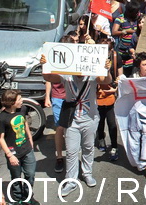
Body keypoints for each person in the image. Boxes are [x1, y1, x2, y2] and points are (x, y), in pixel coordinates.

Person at [41, 52, 113, 197]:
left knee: (88, 148)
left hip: (90, 119)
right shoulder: (66, 76)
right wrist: (45, 64)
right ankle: (71, 181)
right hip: (72, 121)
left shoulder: (92, 75)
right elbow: (48, 77)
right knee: (72, 151)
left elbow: (105, 80)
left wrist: (107, 69)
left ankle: (87, 173)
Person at [0, 89, 36, 205]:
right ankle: (18, 198)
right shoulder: (2, 118)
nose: (21, 101)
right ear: (11, 102)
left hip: (27, 149)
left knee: (30, 174)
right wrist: (9, 155)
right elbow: (0, 138)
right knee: (16, 177)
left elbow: (24, 123)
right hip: (13, 153)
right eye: (19, 99)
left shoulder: (22, 109)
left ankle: (27, 196)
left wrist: (30, 139)